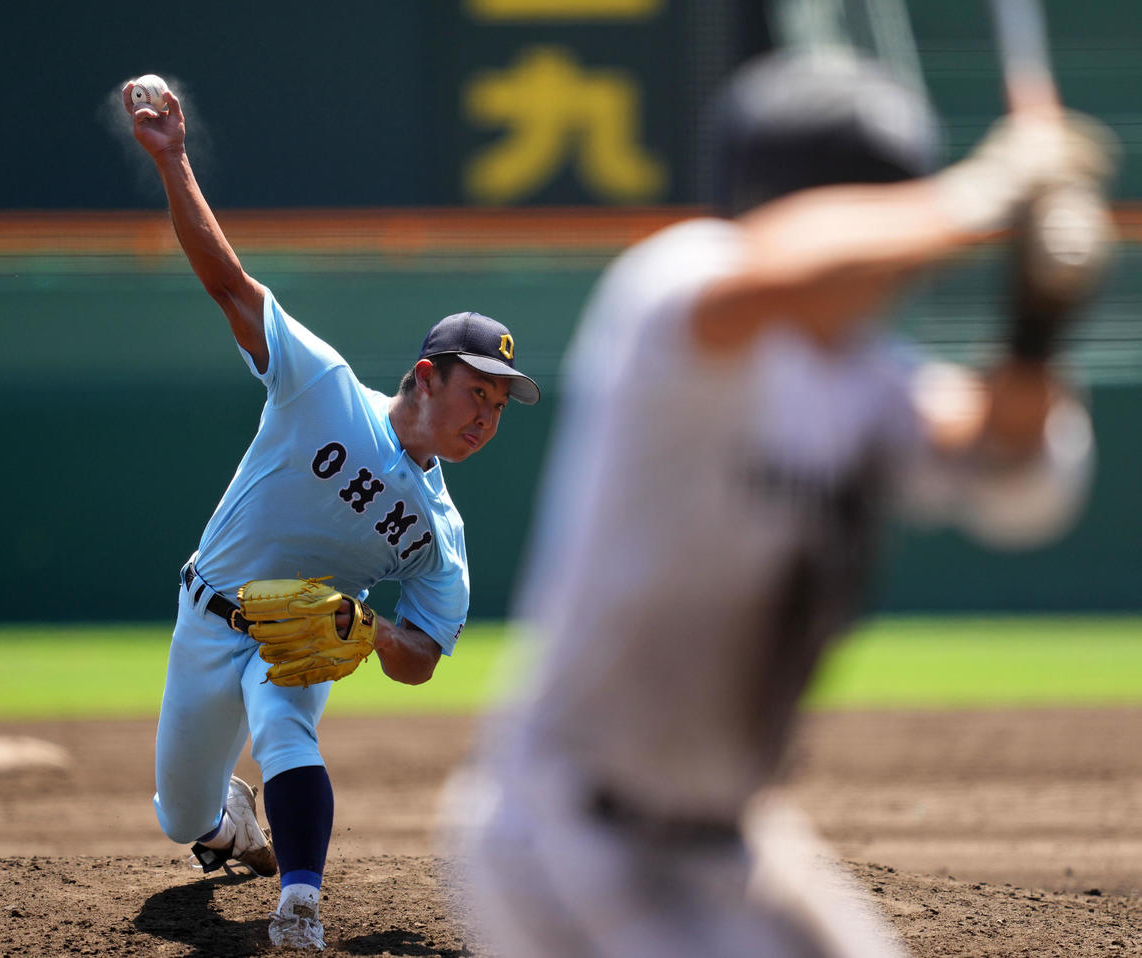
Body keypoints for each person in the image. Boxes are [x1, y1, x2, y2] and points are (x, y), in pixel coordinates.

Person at [452, 49, 1115, 958]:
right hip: (575, 834)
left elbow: (1008, 460)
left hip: (736, 837)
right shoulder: (679, 300)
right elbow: (775, 270)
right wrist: (979, 195)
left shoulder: (869, 386)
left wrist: (1040, 317)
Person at [120, 78, 540, 951]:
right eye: (477, 393)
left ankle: (300, 905)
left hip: (304, 634)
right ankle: (223, 825)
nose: (486, 417)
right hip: (209, 611)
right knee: (178, 812)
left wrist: (365, 629)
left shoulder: (440, 534)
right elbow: (229, 286)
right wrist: (174, 160)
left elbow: (420, 660)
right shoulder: (321, 387)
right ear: (427, 375)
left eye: (502, 406)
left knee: (283, 722)